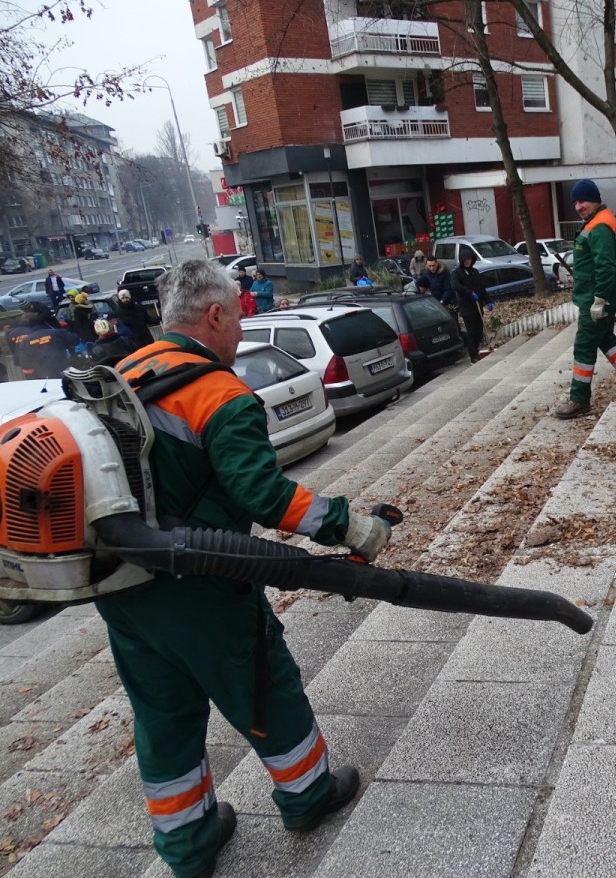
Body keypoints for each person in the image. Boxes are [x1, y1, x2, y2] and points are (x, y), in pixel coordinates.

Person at [100, 259, 391, 878]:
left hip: (122, 586)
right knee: (263, 683)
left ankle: (188, 843)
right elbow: (265, 496)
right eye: (238, 315)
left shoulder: (122, 375)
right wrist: (351, 524)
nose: (242, 327)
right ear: (214, 315)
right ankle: (308, 794)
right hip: (201, 585)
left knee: (163, 712)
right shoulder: (217, 393)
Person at [554, 179, 616, 420]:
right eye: (575, 202)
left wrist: (600, 299)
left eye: (582, 200)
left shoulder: (599, 226)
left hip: (595, 300)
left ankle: (579, 400)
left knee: (584, 346)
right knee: (606, 339)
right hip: (597, 297)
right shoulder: (600, 221)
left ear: (595, 199)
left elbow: (606, 266)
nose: (578, 206)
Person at [10, 304, 77, 378]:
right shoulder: (56, 333)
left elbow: (25, 363)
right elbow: (75, 341)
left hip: (43, 376)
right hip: (64, 372)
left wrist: (33, 379)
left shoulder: (26, 341)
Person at [451, 252, 492, 364]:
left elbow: (482, 289)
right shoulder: (457, 273)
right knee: (471, 332)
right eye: (465, 260)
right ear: (462, 260)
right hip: (467, 308)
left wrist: (488, 301)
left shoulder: (475, 272)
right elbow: (455, 286)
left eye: (469, 259)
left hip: (477, 306)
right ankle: (473, 355)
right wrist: (468, 291)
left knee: (479, 331)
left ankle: (477, 350)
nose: (467, 261)